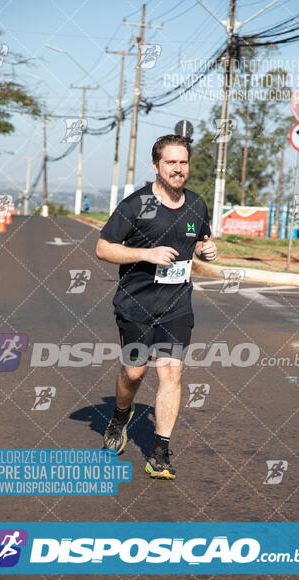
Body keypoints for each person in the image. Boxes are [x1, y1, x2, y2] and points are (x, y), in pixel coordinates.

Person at [96, 134, 217, 479]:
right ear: (157, 166)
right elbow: (104, 248)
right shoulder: (137, 204)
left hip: (177, 304)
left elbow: (201, 240)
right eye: (171, 163)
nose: (178, 169)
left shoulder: (196, 204)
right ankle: (120, 415)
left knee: (172, 371)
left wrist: (207, 251)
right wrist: (146, 254)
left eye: (183, 163)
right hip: (136, 303)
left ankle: (160, 451)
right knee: (135, 371)